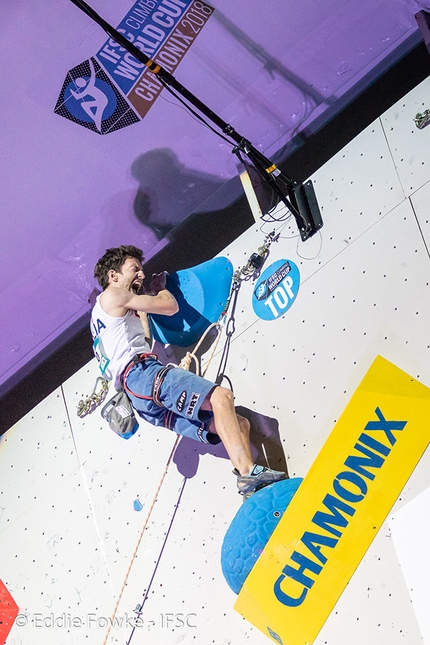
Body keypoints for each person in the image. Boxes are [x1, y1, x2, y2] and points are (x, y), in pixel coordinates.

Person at [91, 245, 287, 499]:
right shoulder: (113, 295)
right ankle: (249, 475)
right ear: (113, 276)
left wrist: (142, 313)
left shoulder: (102, 315)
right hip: (142, 375)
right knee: (221, 398)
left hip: (140, 397)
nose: (141, 274)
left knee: (238, 423)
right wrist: (159, 288)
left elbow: (144, 341)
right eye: (134, 269)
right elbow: (170, 306)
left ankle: (252, 485)